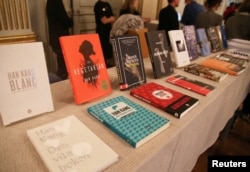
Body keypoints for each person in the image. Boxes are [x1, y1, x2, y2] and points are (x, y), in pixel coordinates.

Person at [46, 0, 73, 80]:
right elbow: (66, 21)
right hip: (60, 38)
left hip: (55, 37)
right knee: (63, 67)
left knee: (62, 63)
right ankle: (62, 86)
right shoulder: (56, 1)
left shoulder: (49, 2)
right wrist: (71, 21)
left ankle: (62, 83)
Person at [94, 0, 115, 67]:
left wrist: (109, 19)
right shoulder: (98, 5)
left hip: (109, 30)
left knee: (108, 49)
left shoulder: (108, 5)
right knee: (101, 49)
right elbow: (104, 21)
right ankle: (101, 65)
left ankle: (106, 63)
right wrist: (110, 19)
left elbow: (113, 18)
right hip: (101, 31)